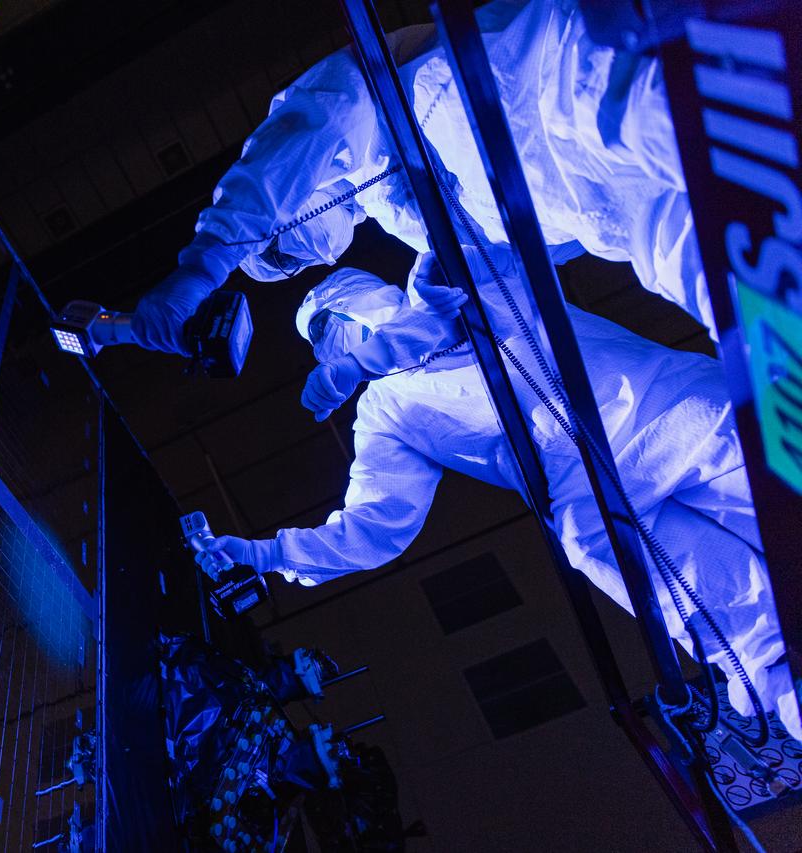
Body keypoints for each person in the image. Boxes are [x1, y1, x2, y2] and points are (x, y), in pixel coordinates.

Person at [195, 246, 799, 740]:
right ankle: (772, 669)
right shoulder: (385, 411)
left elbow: (464, 286)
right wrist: (268, 555)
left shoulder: (440, 277)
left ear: (359, 310)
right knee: (721, 610)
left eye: (333, 333)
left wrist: (370, 354)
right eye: (322, 347)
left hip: (669, 412)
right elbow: (375, 525)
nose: (331, 351)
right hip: (591, 496)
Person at [130, 0, 712, 358]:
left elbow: (314, 128)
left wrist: (205, 263)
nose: (301, 252)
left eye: (277, 244)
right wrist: (448, 285)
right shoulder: (400, 222)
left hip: (562, 88)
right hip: (619, 218)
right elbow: (511, 276)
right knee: (725, 284)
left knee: (704, 113)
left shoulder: (345, 110)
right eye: (290, 262)